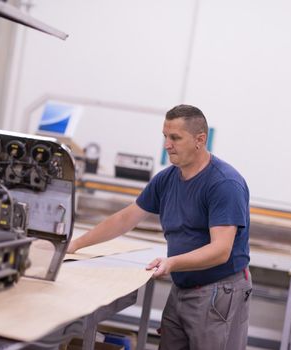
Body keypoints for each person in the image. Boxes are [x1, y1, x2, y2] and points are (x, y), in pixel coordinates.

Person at [67, 104, 252, 350]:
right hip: (183, 287)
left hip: (218, 292)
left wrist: (172, 262)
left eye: (175, 137)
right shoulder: (167, 179)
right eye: (165, 136)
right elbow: (126, 218)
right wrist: (76, 244)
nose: (167, 144)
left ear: (200, 140)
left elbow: (221, 250)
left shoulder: (224, 184)